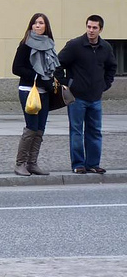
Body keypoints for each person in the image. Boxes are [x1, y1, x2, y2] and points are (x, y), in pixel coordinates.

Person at [59, 15, 116, 174]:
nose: (91, 30)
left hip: (95, 98)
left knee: (95, 131)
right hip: (76, 97)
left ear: (100, 29)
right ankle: (78, 164)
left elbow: (112, 67)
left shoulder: (106, 47)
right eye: (89, 27)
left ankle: (93, 163)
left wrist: (104, 85)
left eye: (94, 28)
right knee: (77, 131)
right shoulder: (75, 45)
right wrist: (66, 83)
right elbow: (58, 64)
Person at [11, 13, 61, 176]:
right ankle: (20, 164)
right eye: (35, 23)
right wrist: (37, 77)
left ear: (46, 27)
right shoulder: (25, 44)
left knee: (40, 129)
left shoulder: (49, 45)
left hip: (44, 91)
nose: (37, 26)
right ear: (31, 26)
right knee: (31, 128)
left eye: (41, 23)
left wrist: (55, 80)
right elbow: (16, 68)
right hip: (28, 90)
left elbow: (54, 66)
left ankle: (32, 163)